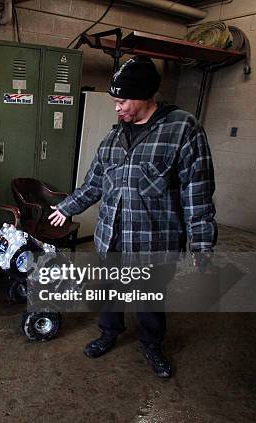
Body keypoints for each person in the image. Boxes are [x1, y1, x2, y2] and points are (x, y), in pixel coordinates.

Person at [49, 55, 217, 378]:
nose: (117, 108)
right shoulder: (114, 137)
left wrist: (201, 243)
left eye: (121, 100)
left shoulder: (182, 130)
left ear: (143, 95)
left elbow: (197, 193)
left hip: (153, 242)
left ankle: (152, 343)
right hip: (111, 237)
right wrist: (67, 207)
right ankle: (109, 332)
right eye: (114, 101)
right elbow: (95, 182)